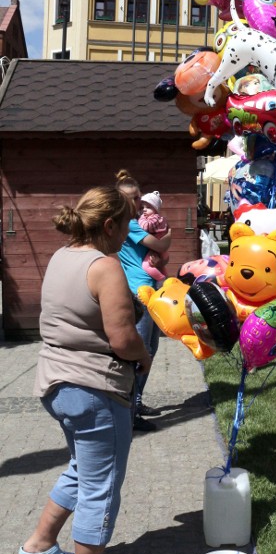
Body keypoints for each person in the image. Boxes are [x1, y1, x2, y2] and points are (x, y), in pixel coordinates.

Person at [19, 186, 151, 554]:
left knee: (81, 470)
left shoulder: (62, 255)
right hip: (94, 392)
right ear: (110, 225)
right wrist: (144, 358)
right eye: (127, 224)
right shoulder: (105, 266)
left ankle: (39, 543)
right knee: (102, 486)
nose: (128, 233)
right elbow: (123, 338)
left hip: (56, 387)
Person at [115, 170, 172, 431]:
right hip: (140, 291)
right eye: (131, 197)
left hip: (149, 287)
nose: (137, 201)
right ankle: (129, 411)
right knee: (142, 351)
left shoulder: (136, 221)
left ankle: (135, 402)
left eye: (138, 196)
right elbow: (160, 246)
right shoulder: (129, 224)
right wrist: (168, 233)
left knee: (151, 347)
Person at [138, 191, 170, 282]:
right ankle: (167, 280)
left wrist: (141, 219)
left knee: (146, 265)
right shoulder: (153, 217)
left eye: (148, 207)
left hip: (157, 248)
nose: (144, 209)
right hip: (159, 249)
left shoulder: (155, 218)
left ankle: (162, 280)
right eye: (142, 207)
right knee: (160, 266)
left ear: (156, 209)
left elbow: (145, 227)